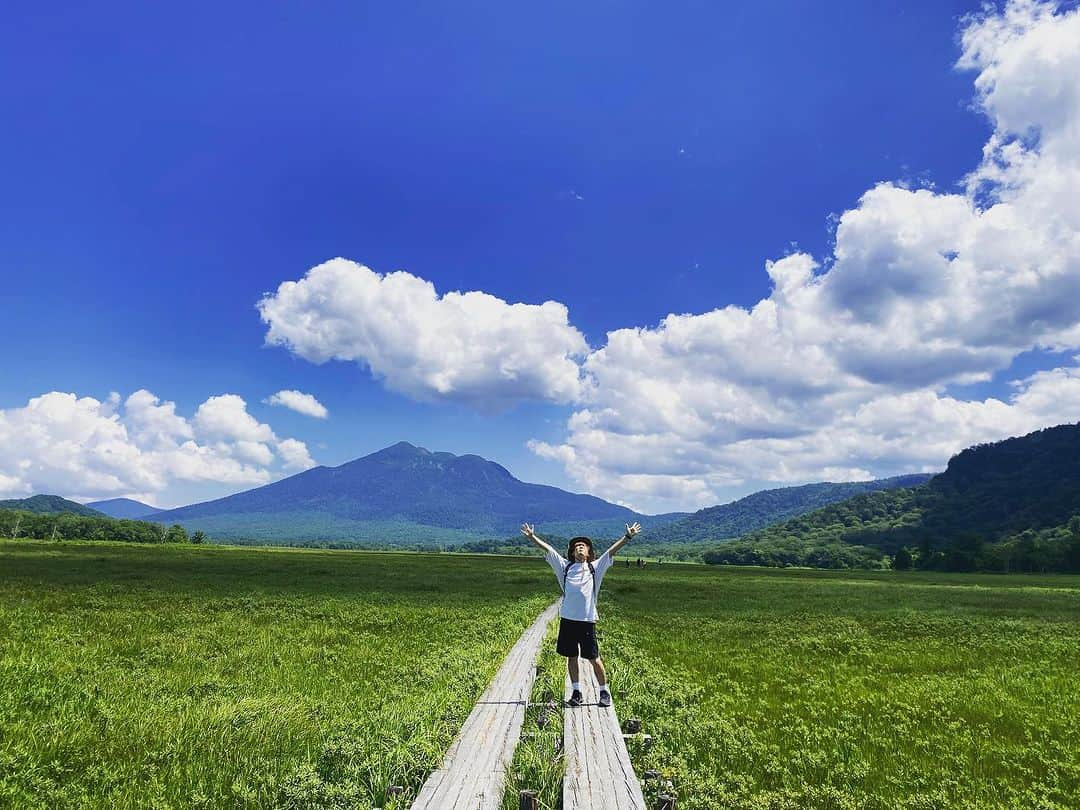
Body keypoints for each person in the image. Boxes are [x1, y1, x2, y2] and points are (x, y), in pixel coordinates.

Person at [520, 521, 641, 708]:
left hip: (587, 621)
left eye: (582, 546)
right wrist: (531, 537)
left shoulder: (595, 567)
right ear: (572, 552)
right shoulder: (565, 567)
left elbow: (611, 551)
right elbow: (549, 550)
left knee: (594, 658)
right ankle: (577, 692)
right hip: (568, 620)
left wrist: (628, 536)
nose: (579, 548)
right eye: (576, 547)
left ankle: (604, 691)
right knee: (571, 657)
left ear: (589, 551)